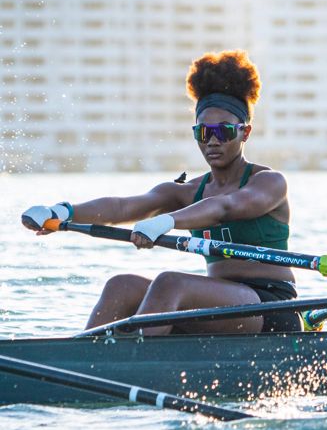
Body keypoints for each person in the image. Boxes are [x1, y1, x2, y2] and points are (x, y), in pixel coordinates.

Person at [21, 50, 301, 335]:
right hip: (220, 304)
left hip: (272, 308)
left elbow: (226, 207)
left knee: (171, 283)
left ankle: (136, 355)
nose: (213, 141)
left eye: (224, 131)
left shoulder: (269, 182)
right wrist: (62, 211)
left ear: (245, 133)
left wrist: (167, 222)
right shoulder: (186, 192)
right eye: (204, 133)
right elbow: (122, 208)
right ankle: (80, 356)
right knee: (121, 286)